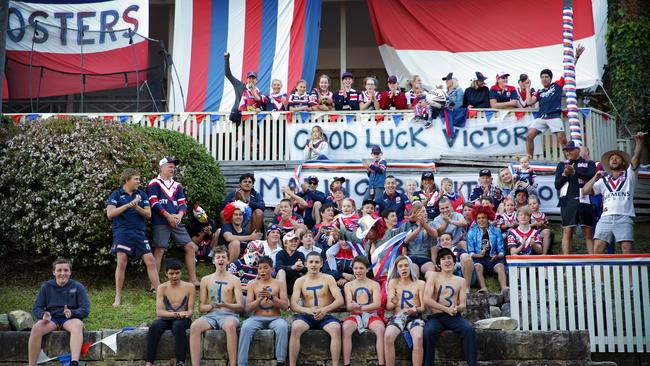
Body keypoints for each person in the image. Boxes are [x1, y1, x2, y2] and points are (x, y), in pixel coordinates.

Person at [582, 131, 647, 254]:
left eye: (617, 158)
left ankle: (629, 273)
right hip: (605, 217)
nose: (614, 159)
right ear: (609, 164)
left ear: (623, 162)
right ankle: (600, 273)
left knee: (626, 250)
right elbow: (585, 191)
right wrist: (594, 178)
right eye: (611, 158)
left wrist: (640, 141)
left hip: (624, 216)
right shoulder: (603, 180)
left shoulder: (629, 175)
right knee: (597, 248)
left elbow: (636, 158)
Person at [106, 168, 159, 306]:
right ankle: (117, 297)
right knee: (122, 262)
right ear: (126, 180)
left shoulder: (142, 195)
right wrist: (128, 205)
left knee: (151, 261)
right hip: (122, 232)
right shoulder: (116, 194)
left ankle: (160, 294)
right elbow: (110, 214)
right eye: (136, 179)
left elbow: (148, 214)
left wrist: (136, 207)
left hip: (139, 233)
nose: (139, 181)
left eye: (139, 179)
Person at [524, 45, 585, 157]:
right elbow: (529, 102)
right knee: (529, 136)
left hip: (554, 116)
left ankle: (570, 160)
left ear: (550, 78)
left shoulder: (556, 85)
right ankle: (529, 160)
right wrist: (527, 87)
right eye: (542, 77)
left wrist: (576, 57)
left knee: (562, 140)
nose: (544, 79)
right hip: (542, 117)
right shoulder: (539, 91)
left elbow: (568, 71)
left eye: (546, 77)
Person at [148, 157, 199, 287]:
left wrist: (179, 216)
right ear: (162, 167)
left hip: (176, 220)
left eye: (173, 166)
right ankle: (154, 284)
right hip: (161, 221)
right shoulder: (154, 183)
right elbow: (153, 202)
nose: (173, 168)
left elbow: (183, 203)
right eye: (170, 166)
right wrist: (167, 216)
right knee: (159, 250)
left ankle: (193, 279)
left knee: (190, 247)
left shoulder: (177, 185)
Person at [28, 258, 90, 366]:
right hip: (52, 318)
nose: (62, 273)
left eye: (66, 270)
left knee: (78, 325)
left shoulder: (78, 287)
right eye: (59, 270)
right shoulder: (46, 287)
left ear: (70, 272)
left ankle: (74, 362)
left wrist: (72, 313)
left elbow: (85, 309)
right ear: (54, 272)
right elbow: (37, 307)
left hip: (70, 319)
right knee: (36, 327)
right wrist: (43, 315)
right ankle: (32, 364)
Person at [190, 246, 243, 366]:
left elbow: (240, 306)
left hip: (229, 315)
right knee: (195, 326)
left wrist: (226, 304)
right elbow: (202, 308)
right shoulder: (205, 280)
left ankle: (233, 364)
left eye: (224, 257)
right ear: (213, 261)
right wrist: (211, 306)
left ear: (228, 260)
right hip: (211, 315)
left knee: (230, 326)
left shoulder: (235, 280)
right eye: (218, 257)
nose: (221, 259)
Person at [289, 252, 345, 366]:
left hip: (325, 315)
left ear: (321, 264)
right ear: (306, 264)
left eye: (316, 262)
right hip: (307, 315)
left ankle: (335, 364)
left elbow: (339, 300)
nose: (313, 265)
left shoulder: (328, 278)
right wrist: (308, 310)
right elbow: (293, 305)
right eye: (311, 262)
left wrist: (324, 310)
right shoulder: (300, 281)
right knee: (295, 328)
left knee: (336, 329)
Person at [423, 248, 476, 366]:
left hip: (454, 316)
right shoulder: (433, 277)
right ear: (439, 263)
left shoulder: (461, 281)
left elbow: (463, 304)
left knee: (469, 329)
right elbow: (426, 299)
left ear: (453, 261)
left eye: (449, 258)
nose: (446, 261)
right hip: (436, 317)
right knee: (428, 332)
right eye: (443, 259)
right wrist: (446, 309)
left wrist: (457, 308)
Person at [238, 256, 290, 366]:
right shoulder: (252, 284)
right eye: (260, 268)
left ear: (272, 269)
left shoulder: (279, 284)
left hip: (275, 318)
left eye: (265, 268)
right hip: (256, 317)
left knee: (283, 327)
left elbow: (285, 306)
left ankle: (280, 361)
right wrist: (260, 299)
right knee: (245, 327)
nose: (262, 271)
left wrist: (272, 297)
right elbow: (248, 308)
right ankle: (241, 363)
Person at [145, 259, 195, 366]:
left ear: (181, 272)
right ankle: (149, 362)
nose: (174, 276)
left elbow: (190, 310)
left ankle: (180, 362)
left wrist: (186, 314)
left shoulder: (190, 287)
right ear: (166, 274)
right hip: (167, 317)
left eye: (177, 273)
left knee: (178, 326)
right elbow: (159, 312)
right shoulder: (162, 288)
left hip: (183, 319)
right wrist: (175, 314)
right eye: (171, 273)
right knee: (154, 326)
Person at [342, 256, 386, 366]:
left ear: (367, 269)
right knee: (346, 328)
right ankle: (347, 363)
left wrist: (360, 307)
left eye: (361, 268)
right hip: (355, 316)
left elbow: (377, 304)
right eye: (355, 268)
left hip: (371, 315)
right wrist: (353, 307)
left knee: (380, 329)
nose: (358, 271)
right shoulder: (348, 285)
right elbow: (348, 306)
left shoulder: (374, 284)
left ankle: (381, 363)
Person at [555, 141, 596, 254]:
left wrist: (574, 172)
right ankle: (566, 264)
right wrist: (565, 175)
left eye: (571, 149)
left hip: (585, 201)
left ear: (578, 150)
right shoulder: (561, 165)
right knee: (567, 231)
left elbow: (591, 177)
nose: (568, 152)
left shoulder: (589, 163)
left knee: (588, 233)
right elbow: (557, 185)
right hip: (567, 201)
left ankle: (594, 265)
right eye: (566, 150)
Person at [384, 255, 425, 366]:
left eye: (406, 265)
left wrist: (415, 309)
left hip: (414, 317)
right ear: (397, 269)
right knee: (388, 336)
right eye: (400, 266)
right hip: (398, 316)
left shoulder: (420, 284)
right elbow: (388, 307)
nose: (403, 268)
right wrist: (393, 301)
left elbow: (423, 308)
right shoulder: (393, 282)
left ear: (410, 267)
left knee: (418, 337)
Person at [466, 205, 508, 293]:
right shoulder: (471, 232)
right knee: (477, 267)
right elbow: (470, 252)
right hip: (479, 259)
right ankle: (483, 288)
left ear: (488, 218)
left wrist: (497, 256)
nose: (481, 220)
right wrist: (478, 255)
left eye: (483, 218)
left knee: (500, 267)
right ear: (476, 220)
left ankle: (504, 288)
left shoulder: (496, 231)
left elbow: (501, 250)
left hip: (493, 258)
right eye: (478, 218)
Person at [275, 231, 307, 295]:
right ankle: (284, 298)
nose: (294, 243)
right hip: (283, 282)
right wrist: (292, 267)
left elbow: (305, 269)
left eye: (295, 241)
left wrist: (301, 268)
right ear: (285, 244)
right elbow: (278, 268)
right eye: (291, 241)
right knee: (281, 272)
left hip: (296, 281)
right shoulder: (280, 253)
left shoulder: (300, 254)